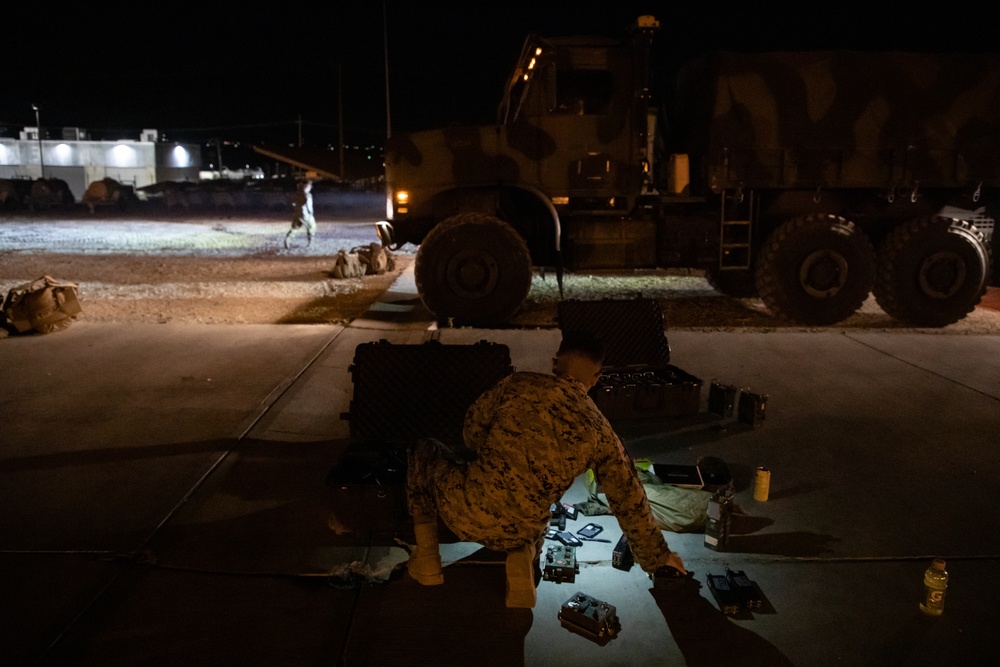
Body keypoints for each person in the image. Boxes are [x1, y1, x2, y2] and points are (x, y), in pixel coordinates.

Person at [405, 329, 687, 608]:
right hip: (521, 531)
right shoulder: (601, 432)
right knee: (540, 510)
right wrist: (659, 558)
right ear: (597, 378)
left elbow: (472, 432)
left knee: (424, 449)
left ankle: (428, 558)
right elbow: (629, 501)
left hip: (463, 513)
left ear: (554, 364)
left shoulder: (517, 384)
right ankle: (523, 555)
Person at [284, 179, 316, 248]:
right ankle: (311, 243)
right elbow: (309, 206)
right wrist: (311, 214)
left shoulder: (296, 194)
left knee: (295, 228)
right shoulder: (307, 195)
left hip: (297, 214)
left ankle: (288, 240)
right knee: (312, 227)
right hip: (305, 215)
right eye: (309, 186)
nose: (311, 187)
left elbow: (292, 204)